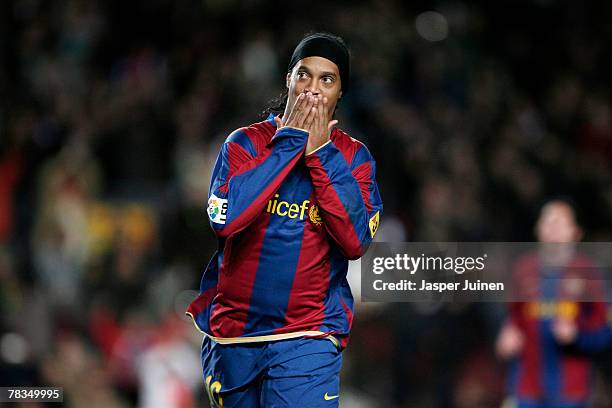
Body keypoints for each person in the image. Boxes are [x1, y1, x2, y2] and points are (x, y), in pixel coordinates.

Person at [186, 32, 383, 407]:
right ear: (288, 80)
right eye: (304, 74)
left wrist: (320, 152)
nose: (312, 89)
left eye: (327, 79)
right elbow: (225, 220)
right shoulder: (244, 144)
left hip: (308, 337)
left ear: (340, 92)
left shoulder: (354, 159)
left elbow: (355, 240)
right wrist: (290, 140)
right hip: (233, 338)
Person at [496, 199, 610, 408]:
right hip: (526, 390)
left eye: (560, 222)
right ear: (538, 230)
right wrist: (506, 337)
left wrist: (578, 337)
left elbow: (605, 333)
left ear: (575, 233)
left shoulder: (589, 274)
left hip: (570, 393)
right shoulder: (523, 270)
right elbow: (512, 319)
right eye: (548, 222)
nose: (553, 228)